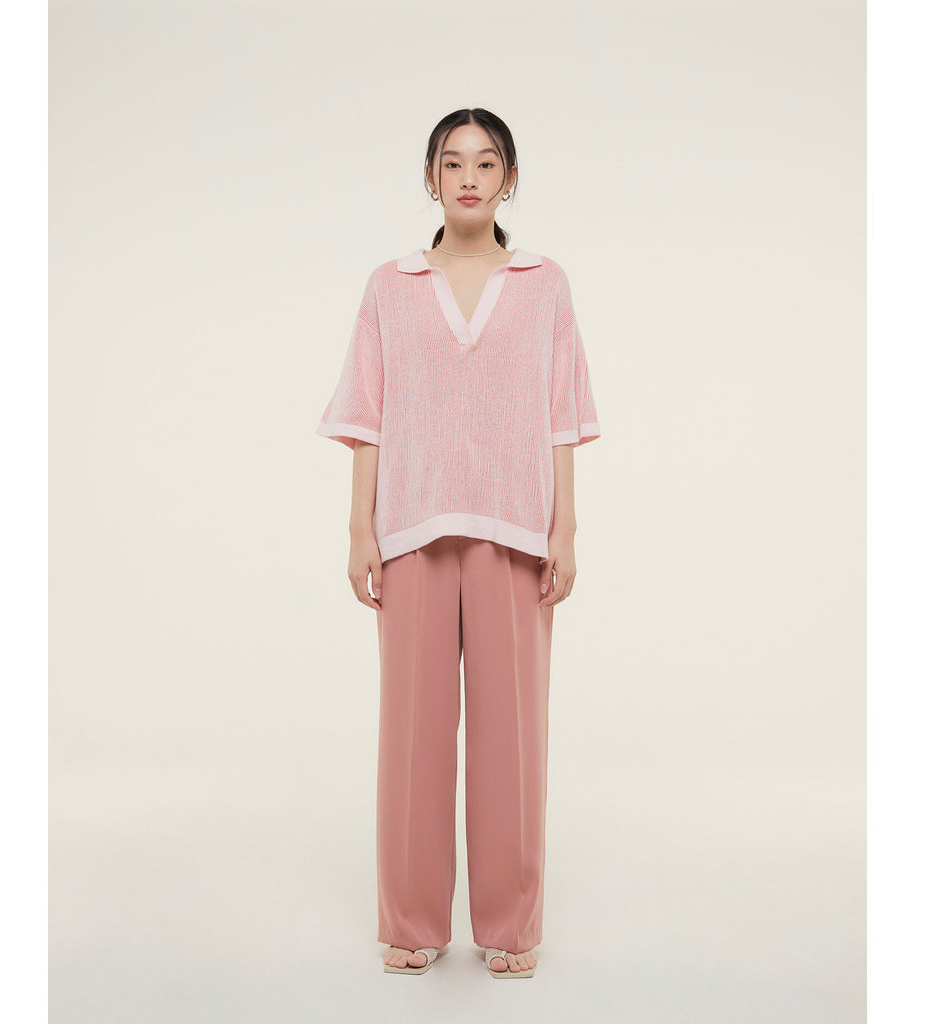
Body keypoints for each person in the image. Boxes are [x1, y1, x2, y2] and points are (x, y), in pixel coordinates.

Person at [315, 108, 601, 979]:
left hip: (515, 527)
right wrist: (360, 527)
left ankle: (511, 927)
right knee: (414, 734)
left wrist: (565, 524)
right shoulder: (391, 286)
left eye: (485, 163)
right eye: (452, 162)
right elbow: (368, 413)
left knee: (513, 736)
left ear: (508, 179)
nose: (468, 177)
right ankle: (412, 922)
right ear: (431, 178)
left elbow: (562, 412)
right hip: (412, 528)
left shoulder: (543, 284)